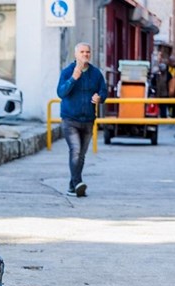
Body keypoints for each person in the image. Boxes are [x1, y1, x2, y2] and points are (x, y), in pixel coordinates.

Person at [56, 42, 108, 198]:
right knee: (76, 151)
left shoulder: (96, 74)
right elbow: (61, 92)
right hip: (70, 119)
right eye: (82, 52)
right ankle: (78, 182)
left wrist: (100, 97)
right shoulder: (67, 72)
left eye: (87, 52)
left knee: (81, 154)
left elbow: (103, 92)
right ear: (76, 54)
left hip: (88, 120)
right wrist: (73, 78)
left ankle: (73, 187)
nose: (85, 54)